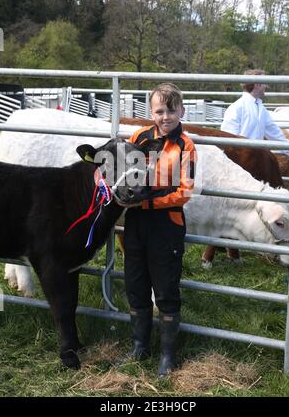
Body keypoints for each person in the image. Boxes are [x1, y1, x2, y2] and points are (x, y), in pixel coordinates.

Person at [122, 82, 197, 378]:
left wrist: (149, 202)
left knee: (165, 289)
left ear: (181, 110)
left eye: (171, 110)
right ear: (151, 112)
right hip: (136, 222)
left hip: (167, 224)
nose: (165, 116)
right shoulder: (138, 137)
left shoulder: (186, 146)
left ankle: (167, 355)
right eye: (159, 111)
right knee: (135, 283)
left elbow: (185, 191)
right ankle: (139, 347)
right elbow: (125, 172)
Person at [221, 69, 289, 155]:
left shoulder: (261, 108)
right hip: (239, 159)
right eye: (264, 83)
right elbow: (228, 138)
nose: (266, 86)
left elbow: (273, 131)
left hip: (255, 157)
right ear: (257, 85)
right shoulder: (236, 107)